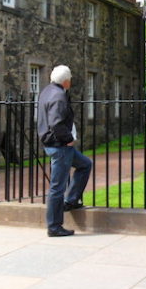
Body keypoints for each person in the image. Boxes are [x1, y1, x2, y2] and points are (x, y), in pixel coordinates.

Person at [38, 65, 92, 237]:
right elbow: (56, 123)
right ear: (67, 81)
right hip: (60, 146)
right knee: (57, 187)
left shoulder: (46, 91)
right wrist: (69, 139)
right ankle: (54, 226)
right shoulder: (59, 96)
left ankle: (71, 200)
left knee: (85, 164)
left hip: (52, 144)